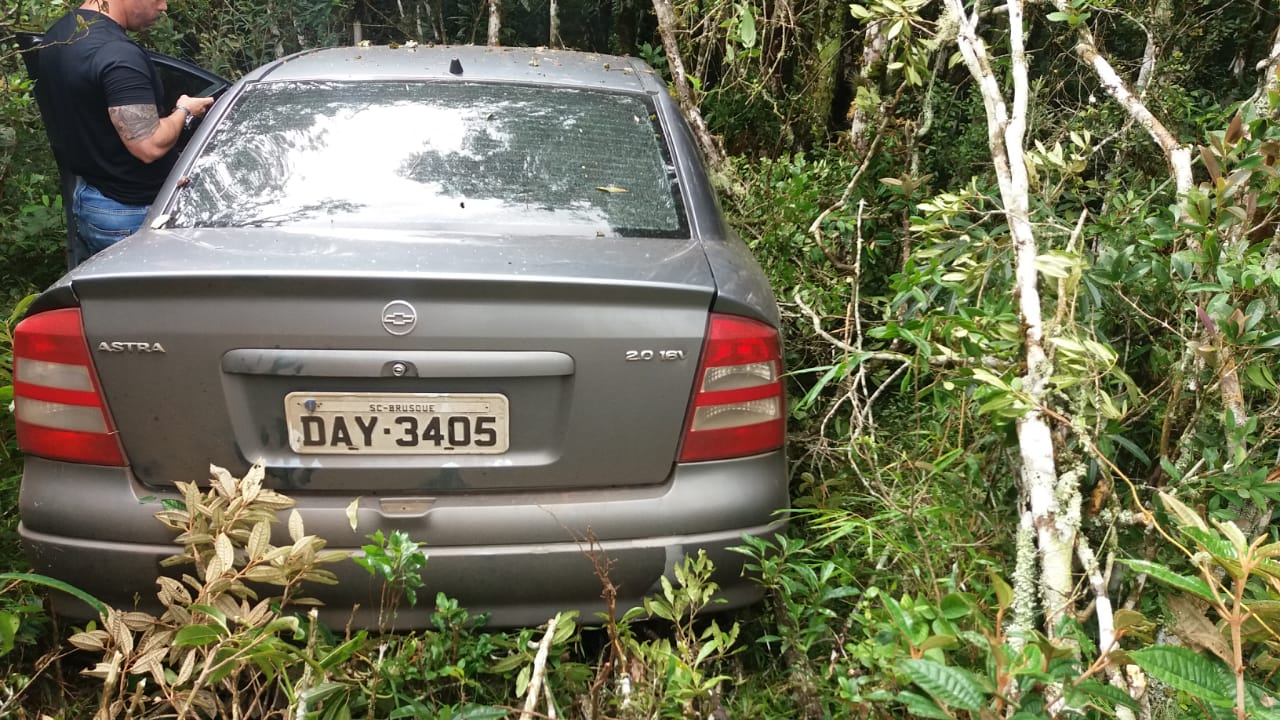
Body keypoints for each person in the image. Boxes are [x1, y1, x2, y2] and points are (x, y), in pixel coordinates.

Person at [36, 0, 215, 268]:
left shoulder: (60, 35)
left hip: (91, 197)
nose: (164, 7)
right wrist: (184, 110)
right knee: (156, 305)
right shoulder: (117, 54)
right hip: (130, 214)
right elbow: (148, 146)